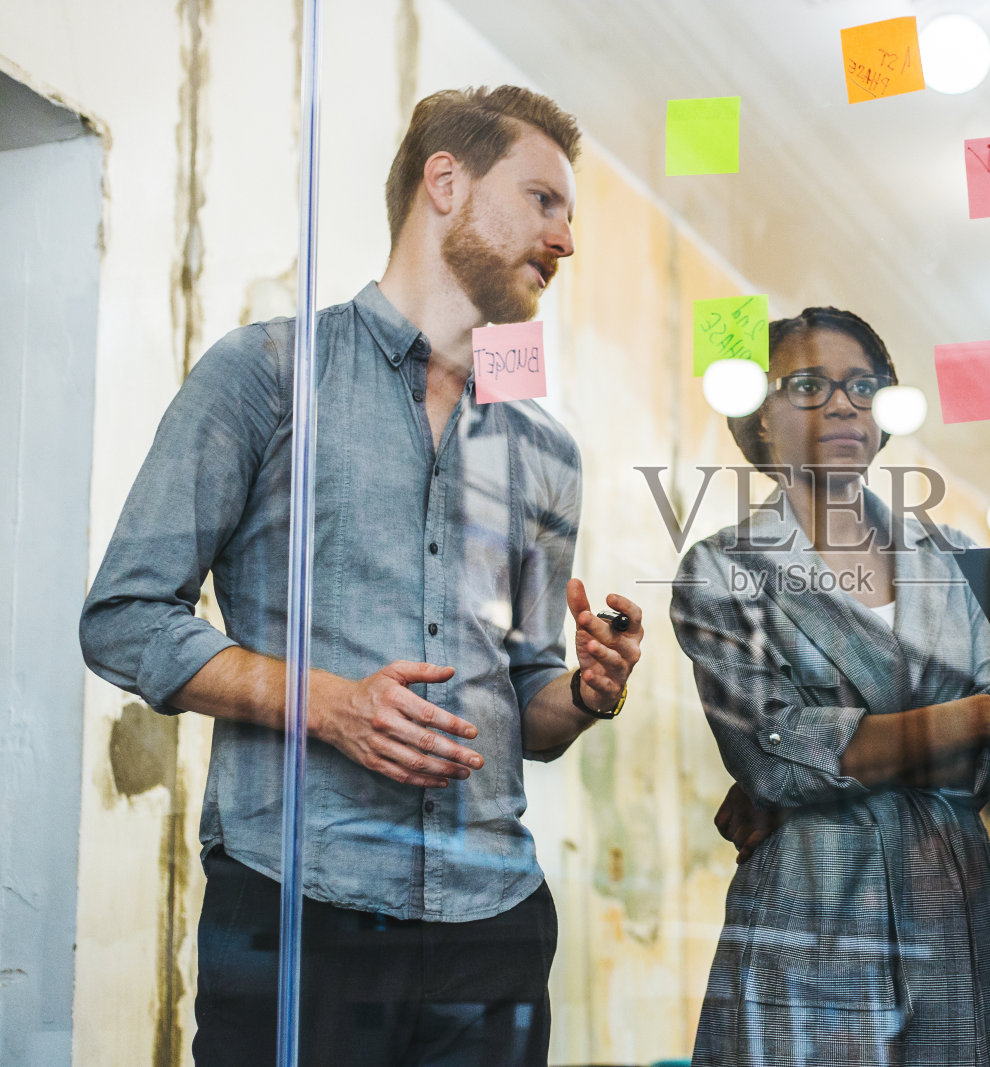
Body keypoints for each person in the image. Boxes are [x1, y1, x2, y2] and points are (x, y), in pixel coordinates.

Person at [79, 86, 642, 1067]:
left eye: (570, 213)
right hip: (299, 904)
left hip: (494, 919)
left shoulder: (548, 451)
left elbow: (528, 707)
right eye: (544, 200)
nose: (566, 239)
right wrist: (326, 703)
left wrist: (586, 693)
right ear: (445, 182)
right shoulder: (264, 373)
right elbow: (123, 616)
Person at [669, 306, 990, 1067]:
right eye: (808, 384)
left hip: (954, 907)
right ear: (759, 420)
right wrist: (969, 717)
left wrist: (840, 752)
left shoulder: (956, 558)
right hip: (809, 909)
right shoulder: (721, 569)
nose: (844, 403)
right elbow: (774, 753)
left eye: (862, 386)